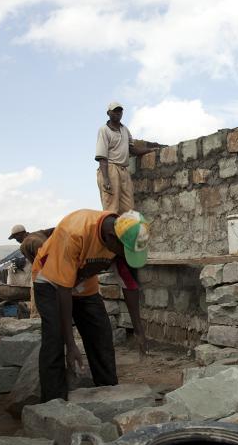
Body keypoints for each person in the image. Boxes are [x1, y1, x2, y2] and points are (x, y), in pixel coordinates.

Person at [31, 209, 150, 402]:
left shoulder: (123, 232)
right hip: (51, 283)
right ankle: (53, 404)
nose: (126, 257)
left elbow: (129, 284)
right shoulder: (74, 232)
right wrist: (70, 344)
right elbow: (64, 290)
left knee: (101, 334)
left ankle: (109, 396)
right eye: (125, 252)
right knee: (54, 337)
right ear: (112, 238)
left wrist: (139, 330)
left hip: (83, 285)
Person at [95, 101, 160, 215]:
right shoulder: (104, 130)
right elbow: (102, 157)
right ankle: (110, 232)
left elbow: (132, 149)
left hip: (123, 170)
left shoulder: (125, 130)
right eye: (115, 111)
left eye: (120, 111)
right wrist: (106, 179)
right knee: (111, 208)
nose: (118, 113)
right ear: (108, 113)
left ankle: (125, 231)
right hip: (110, 169)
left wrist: (149, 150)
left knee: (128, 208)